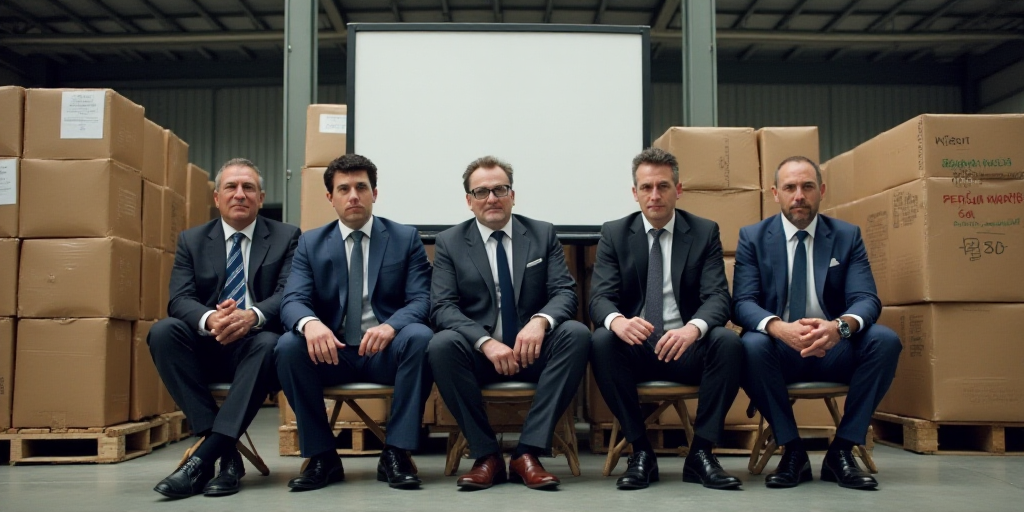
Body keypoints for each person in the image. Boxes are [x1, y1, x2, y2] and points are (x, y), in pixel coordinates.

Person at [732, 156, 901, 490]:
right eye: (790, 187)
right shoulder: (753, 237)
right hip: (778, 353)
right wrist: (779, 328)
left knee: (885, 340)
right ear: (775, 193)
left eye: (807, 186)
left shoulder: (845, 236)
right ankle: (792, 450)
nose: (799, 195)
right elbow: (742, 303)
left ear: (821, 190)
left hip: (834, 349)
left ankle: (841, 451)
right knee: (747, 345)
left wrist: (838, 328)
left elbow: (867, 299)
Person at [427, 156, 591, 490]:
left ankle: (527, 453)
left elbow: (564, 292)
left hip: (534, 353)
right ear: (469, 201)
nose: (492, 198)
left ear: (512, 195)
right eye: (482, 191)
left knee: (576, 333)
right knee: (441, 345)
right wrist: (485, 343)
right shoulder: (450, 242)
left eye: (500, 189)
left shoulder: (541, 234)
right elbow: (443, 307)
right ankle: (486, 455)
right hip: (481, 358)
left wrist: (540, 322)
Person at [589, 147, 744, 490]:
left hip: (685, 347)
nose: (654, 195)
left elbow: (718, 297)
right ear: (635, 193)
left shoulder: (703, 232)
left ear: (679, 189)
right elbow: (599, 298)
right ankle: (641, 451)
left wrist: (693, 329)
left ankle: (702, 454)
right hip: (637, 348)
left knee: (728, 342)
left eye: (663, 186)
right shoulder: (615, 233)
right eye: (646, 187)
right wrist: (619, 322)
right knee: (601, 340)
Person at [275, 154, 433, 491]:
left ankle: (396, 453)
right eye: (343, 189)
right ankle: (322, 456)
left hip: (385, 352)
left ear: (375, 193)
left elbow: (422, 300)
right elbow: (292, 301)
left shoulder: (404, 239)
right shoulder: (310, 243)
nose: (354, 196)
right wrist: (310, 324)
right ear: (330, 197)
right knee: (288, 345)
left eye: (361, 187)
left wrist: (392, 326)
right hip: (332, 353)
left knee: (420, 337)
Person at [149, 158, 301, 499]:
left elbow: (288, 294)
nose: (240, 194)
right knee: (163, 331)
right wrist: (210, 319)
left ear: (261, 198)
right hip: (207, 346)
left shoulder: (286, 236)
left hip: (257, 350)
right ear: (217, 198)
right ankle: (226, 454)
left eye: (249, 187)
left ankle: (202, 460)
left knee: (269, 342)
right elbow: (180, 299)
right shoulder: (192, 240)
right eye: (231, 187)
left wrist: (251, 316)